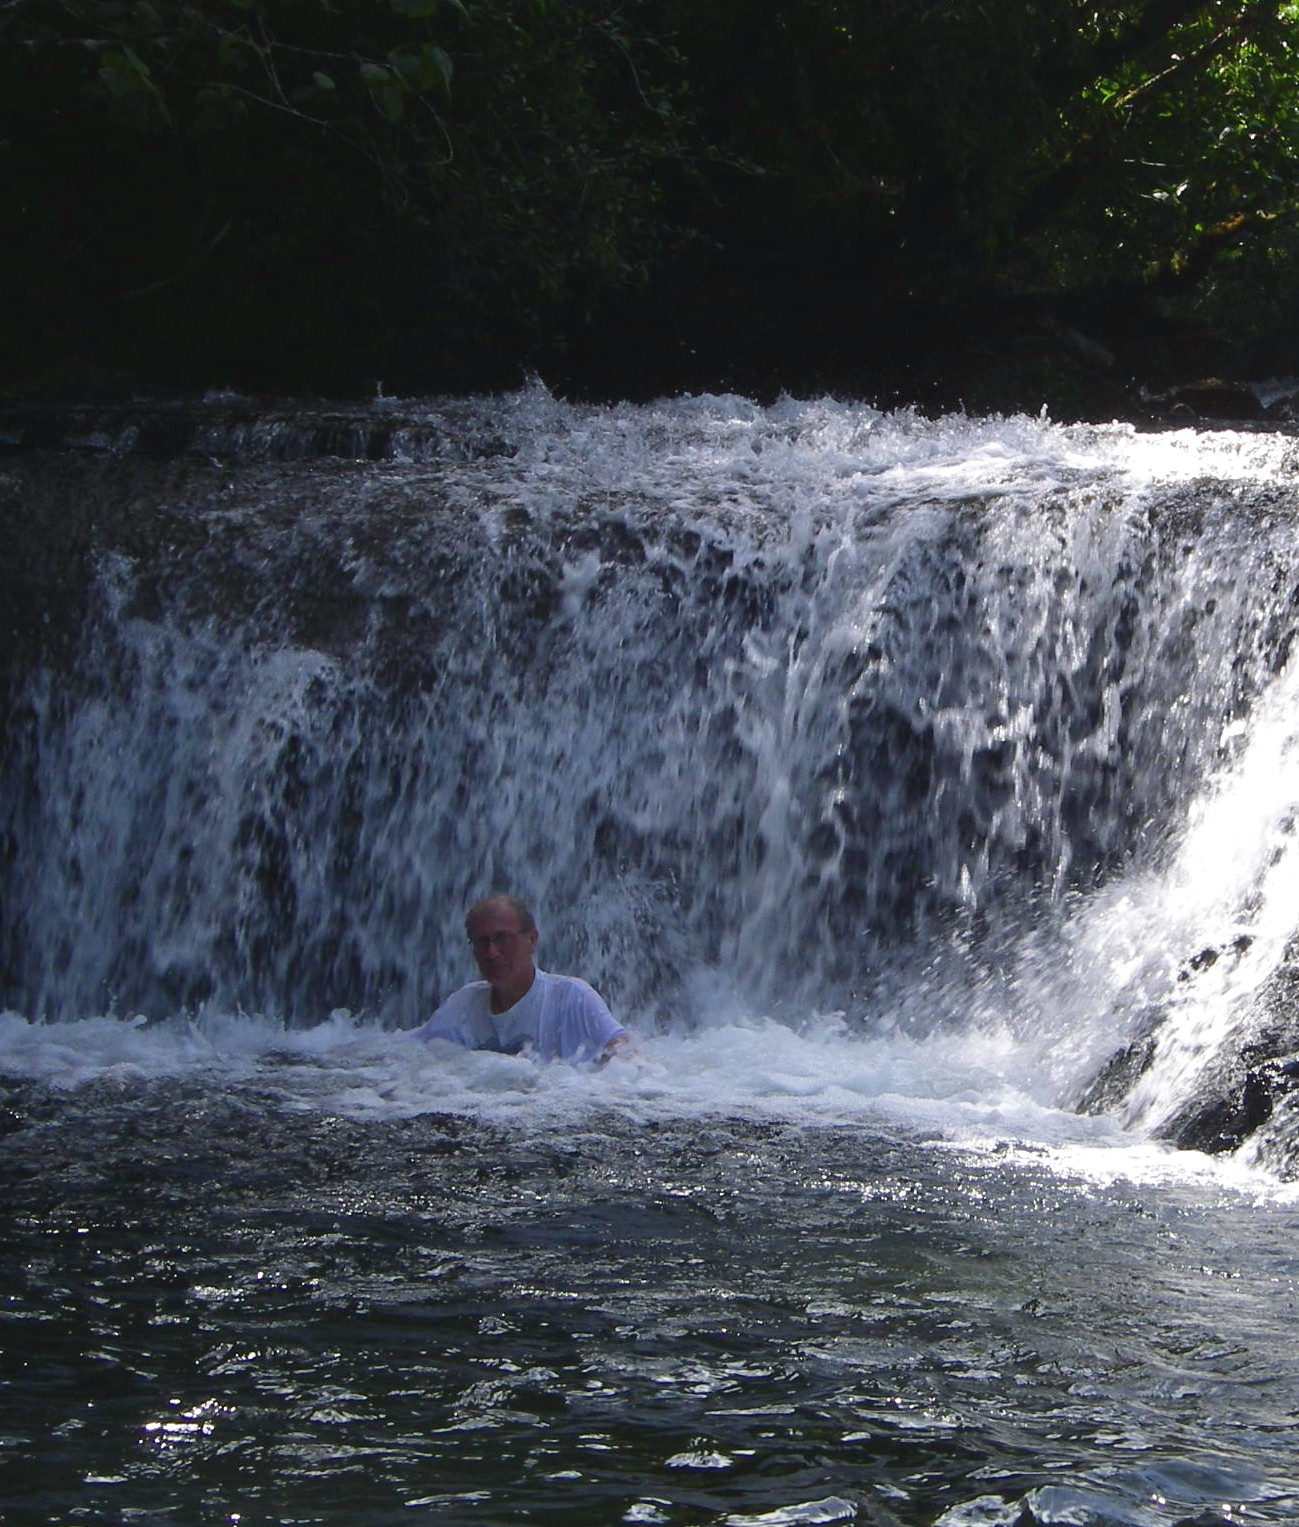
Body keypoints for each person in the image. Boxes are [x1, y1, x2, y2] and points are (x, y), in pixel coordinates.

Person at [412, 894, 629, 1064]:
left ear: (532, 940)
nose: (492, 952)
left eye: (502, 939)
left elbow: (626, 1055)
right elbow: (410, 1052)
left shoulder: (572, 996)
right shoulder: (463, 1004)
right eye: (482, 942)